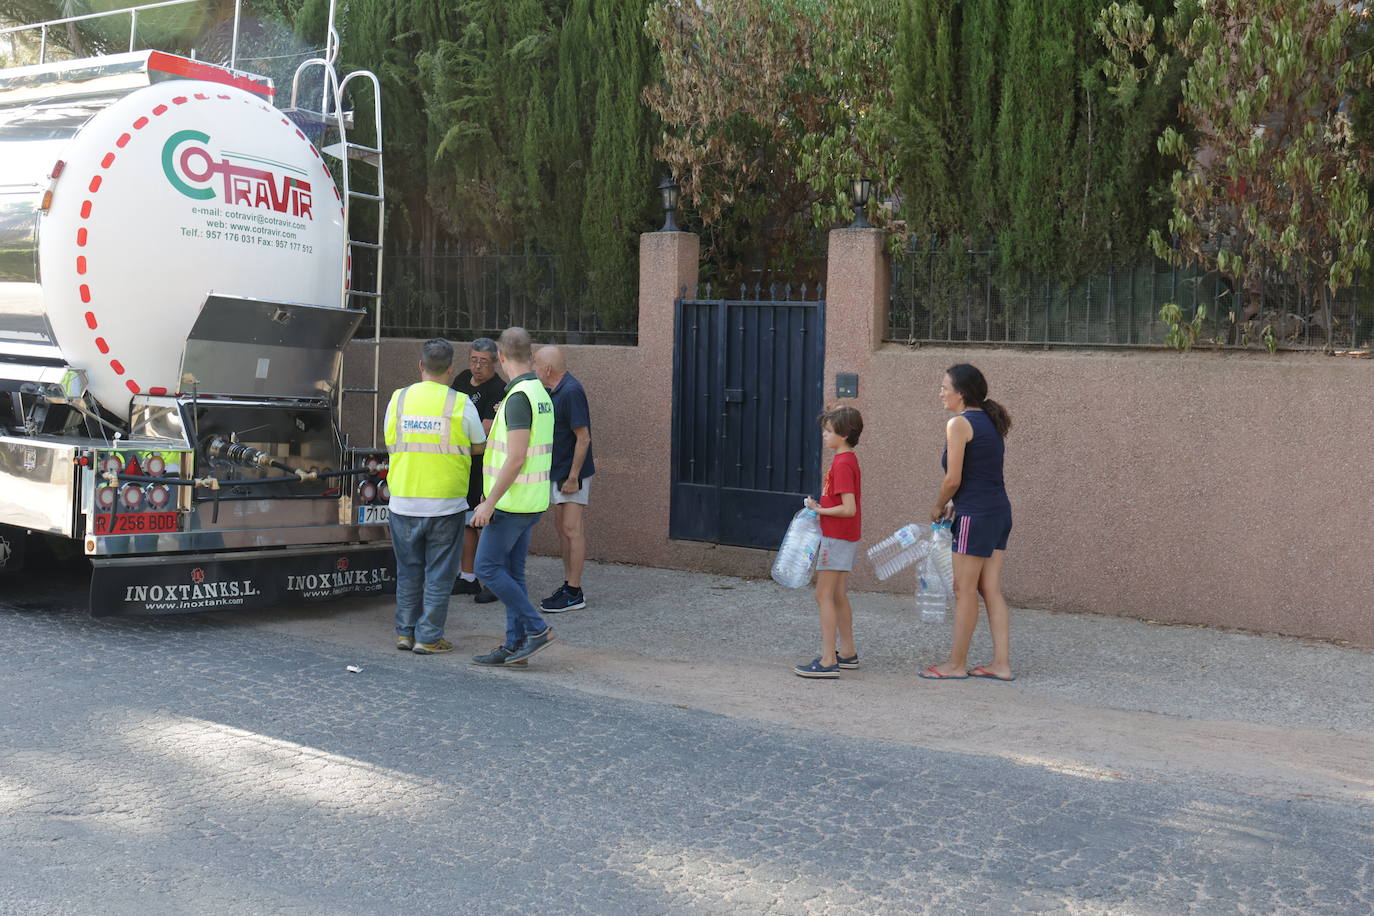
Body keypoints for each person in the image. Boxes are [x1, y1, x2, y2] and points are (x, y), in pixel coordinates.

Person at [384, 338, 486, 654]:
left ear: (420, 366)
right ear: (452, 368)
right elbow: (479, 446)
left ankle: (405, 633)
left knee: (409, 572)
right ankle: (428, 638)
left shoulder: (398, 400)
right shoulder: (460, 403)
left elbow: (390, 441)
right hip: (446, 503)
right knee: (440, 574)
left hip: (403, 500)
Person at [469, 327, 558, 667]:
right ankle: (515, 645)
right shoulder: (538, 392)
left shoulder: (519, 397)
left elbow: (517, 456)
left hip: (510, 504)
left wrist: (489, 502)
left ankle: (537, 629)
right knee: (512, 573)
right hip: (529, 501)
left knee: (487, 569)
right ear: (531, 355)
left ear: (501, 357)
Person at [921, 363, 1015, 681]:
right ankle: (1000, 664)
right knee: (991, 589)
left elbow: (953, 478)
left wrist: (938, 505)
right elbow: (978, 476)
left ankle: (956, 664)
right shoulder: (988, 420)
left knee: (964, 590)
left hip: (976, 515)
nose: (941, 393)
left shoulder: (958, 424)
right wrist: (953, 502)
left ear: (960, 394)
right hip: (998, 512)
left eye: (945, 387)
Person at [794, 406, 864, 679]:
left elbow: (848, 508)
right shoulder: (847, 459)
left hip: (836, 536)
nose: (824, 435)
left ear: (844, 434)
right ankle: (846, 653)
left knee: (823, 595)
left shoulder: (842, 463)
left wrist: (819, 510)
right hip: (843, 536)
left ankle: (827, 661)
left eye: (829, 431)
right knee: (837, 595)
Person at [532, 345, 595, 612]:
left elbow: (584, 437)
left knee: (573, 530)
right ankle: (568, 584)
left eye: (535, 364)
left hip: (571, 475)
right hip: (558, 472)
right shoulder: (554, 390)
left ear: (548, 369)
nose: (533, 369)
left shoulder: (571, 391)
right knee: (563, 530)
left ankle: (574, 592)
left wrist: (573, 477)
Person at [450, 337, 506, 603]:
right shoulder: (461, 380)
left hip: (486, 468)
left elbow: (484, 431)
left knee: (489, 524)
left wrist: (452, 435)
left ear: (495, 362)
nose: (477, 367)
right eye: (473, 360)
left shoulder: (499, 390)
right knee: (467, 521)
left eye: (483, 362)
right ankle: (468, 578)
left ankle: (495, 581)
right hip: (462, 466)